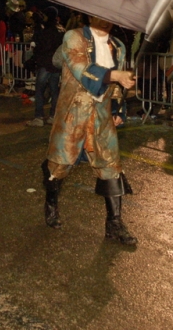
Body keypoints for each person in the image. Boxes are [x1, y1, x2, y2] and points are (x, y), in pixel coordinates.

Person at [41, 16, 137, 245]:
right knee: (59, 164)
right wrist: (115, 76)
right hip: (72, 115)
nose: (105, 19)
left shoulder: (118, 46)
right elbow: (81, 70)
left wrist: (118, 109)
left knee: (111, 166)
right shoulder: (73, 37)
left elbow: (115, 88)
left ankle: (114, 223)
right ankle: (51, 203)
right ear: (90, 13)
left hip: (102, 117)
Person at [26, 6, 64, 127]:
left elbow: (41, 47)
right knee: (54, 91)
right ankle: (53, 116)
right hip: (56, 65)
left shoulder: (46, 30)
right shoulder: (60, 30)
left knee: (40, 90)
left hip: (45, 64)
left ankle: (39, 117)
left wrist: (35, 52)